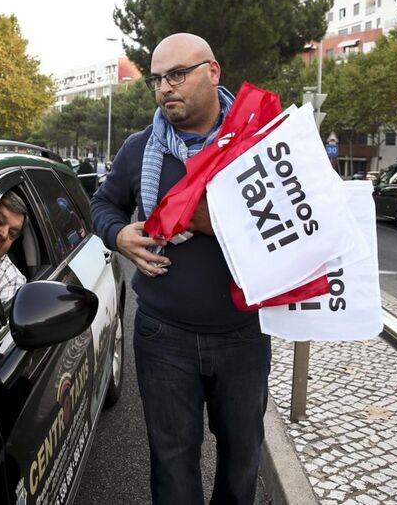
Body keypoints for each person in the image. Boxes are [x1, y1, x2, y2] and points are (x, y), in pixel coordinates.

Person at [91, 33, 271, 505]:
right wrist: (119, 235)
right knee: (172, 463)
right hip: (162, 336)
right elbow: (103, 204)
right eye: (157, 80)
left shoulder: (260, 141)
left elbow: (303, 217)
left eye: (177, 74)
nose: (165, 88)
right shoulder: (139, 148)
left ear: (213, 72)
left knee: (241, 459)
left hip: (244, 335)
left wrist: (214, 221)